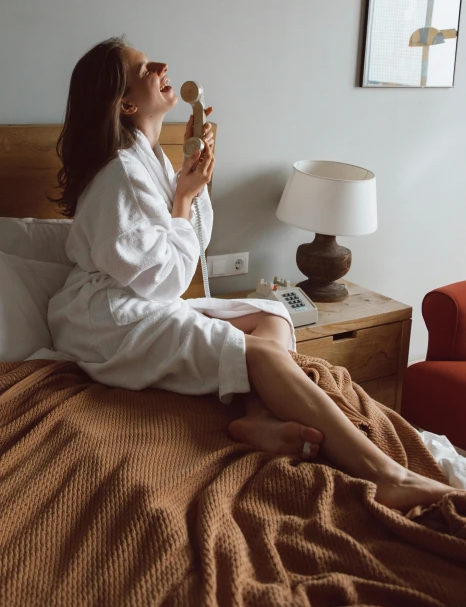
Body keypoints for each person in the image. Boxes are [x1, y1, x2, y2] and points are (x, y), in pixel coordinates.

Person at [49, 36, 459, 512]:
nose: (161, 65)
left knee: (273, 317)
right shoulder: (120, 174)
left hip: (141, 300)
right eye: (144, 69)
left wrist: (191, 180)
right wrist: (182, 199)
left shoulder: (150, 160)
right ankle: (389, 474)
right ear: (124, 103)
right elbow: (164, 279)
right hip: (108, 322)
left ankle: (258, 418)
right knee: (262, 357)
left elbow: (191, 245)